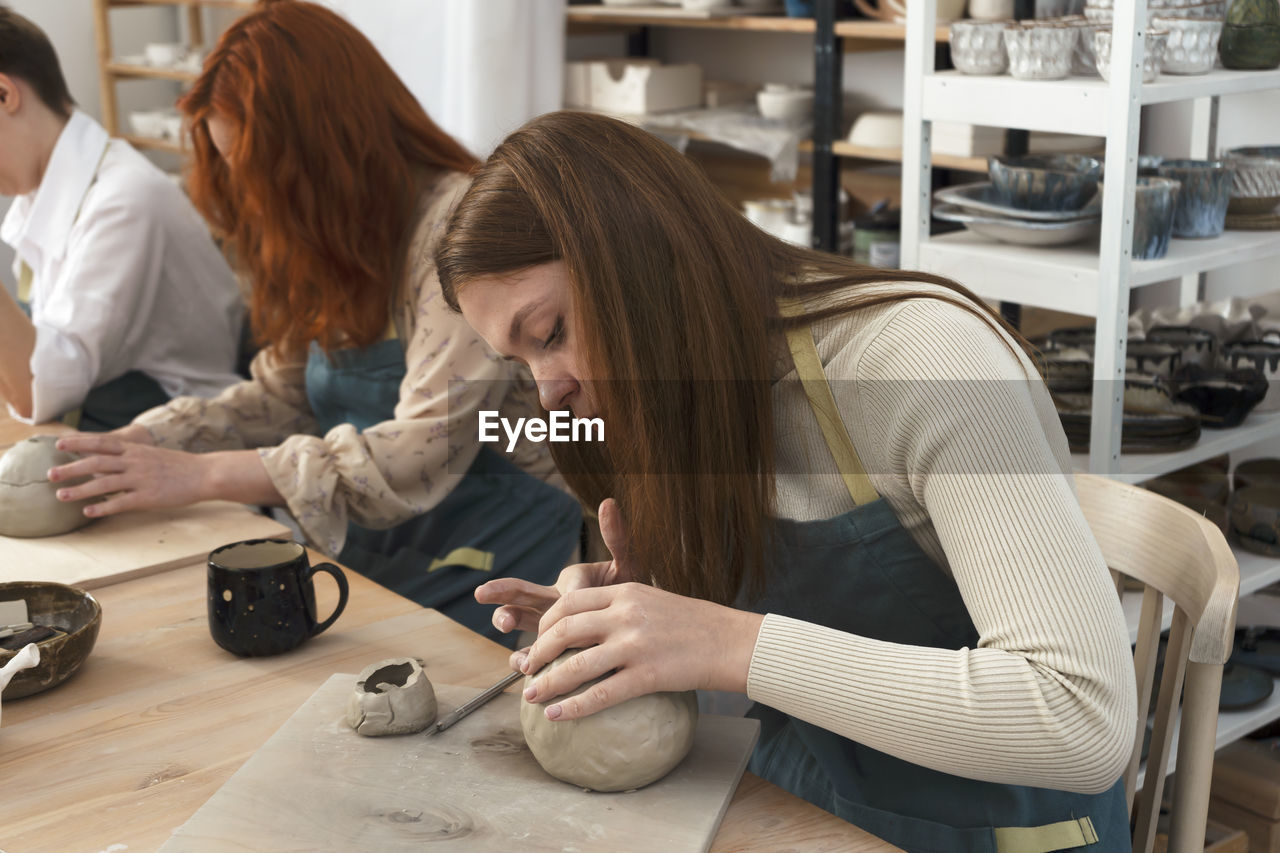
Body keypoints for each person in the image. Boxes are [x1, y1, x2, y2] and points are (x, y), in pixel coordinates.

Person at [434, 111, 1138, 851]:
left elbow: (1080, 719)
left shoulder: (921, 359)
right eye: (521, 360)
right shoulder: (684, 399)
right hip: (799, 812)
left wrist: (724, 640)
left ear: (642, 259)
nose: (546, 393)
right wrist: (649, 606)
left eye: (550, 333)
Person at [51, 1, 581, 642]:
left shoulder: (454, 230)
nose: (248, 192)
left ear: (325, 142)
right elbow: (285, 394)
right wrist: (151, 440)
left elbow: (417, 450)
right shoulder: (333, 230)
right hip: (397, 541)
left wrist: (204, 475)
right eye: (232, 169)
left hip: (513, 541)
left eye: (255, 167)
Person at [0, 8, 243, 431]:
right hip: (108, 433)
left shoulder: (124, 201)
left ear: (4, 94)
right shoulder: (40, 190)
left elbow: (34, 391)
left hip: (185, 450)